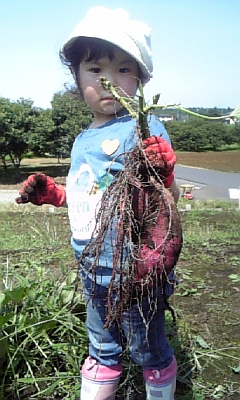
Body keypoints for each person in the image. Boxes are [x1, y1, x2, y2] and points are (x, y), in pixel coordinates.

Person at [16, 7, 181, 400]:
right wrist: (55, 195)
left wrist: (165, 174)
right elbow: (91, 191)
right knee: (101, 345)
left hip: (137, 270)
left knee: (147, 347)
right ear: (76, 76)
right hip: (92, 267)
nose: (109, 80)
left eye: (124, 68)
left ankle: (160, 380)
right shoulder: (81, 139)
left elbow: (167, 201)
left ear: (141, 78)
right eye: (95, 68)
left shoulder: (145, 127)